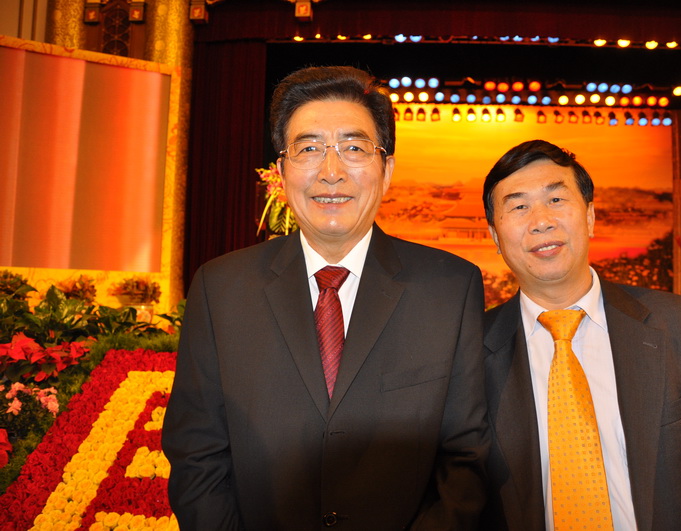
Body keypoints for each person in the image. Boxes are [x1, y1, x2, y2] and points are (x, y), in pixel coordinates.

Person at [162, 65, 489, 530]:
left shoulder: (449, 288)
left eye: (354, 148)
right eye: (309, 149)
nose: (331, 172)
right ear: (281, 171)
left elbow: (466, 458)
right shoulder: (221, 289)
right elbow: (197, 454)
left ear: (386, 170)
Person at [479, 139, 681, 531]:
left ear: (590, 216)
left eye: (556, 200)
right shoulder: (471, 348)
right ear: (495, 235)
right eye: (519, 206)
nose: (541, 220)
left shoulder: (679, 325)